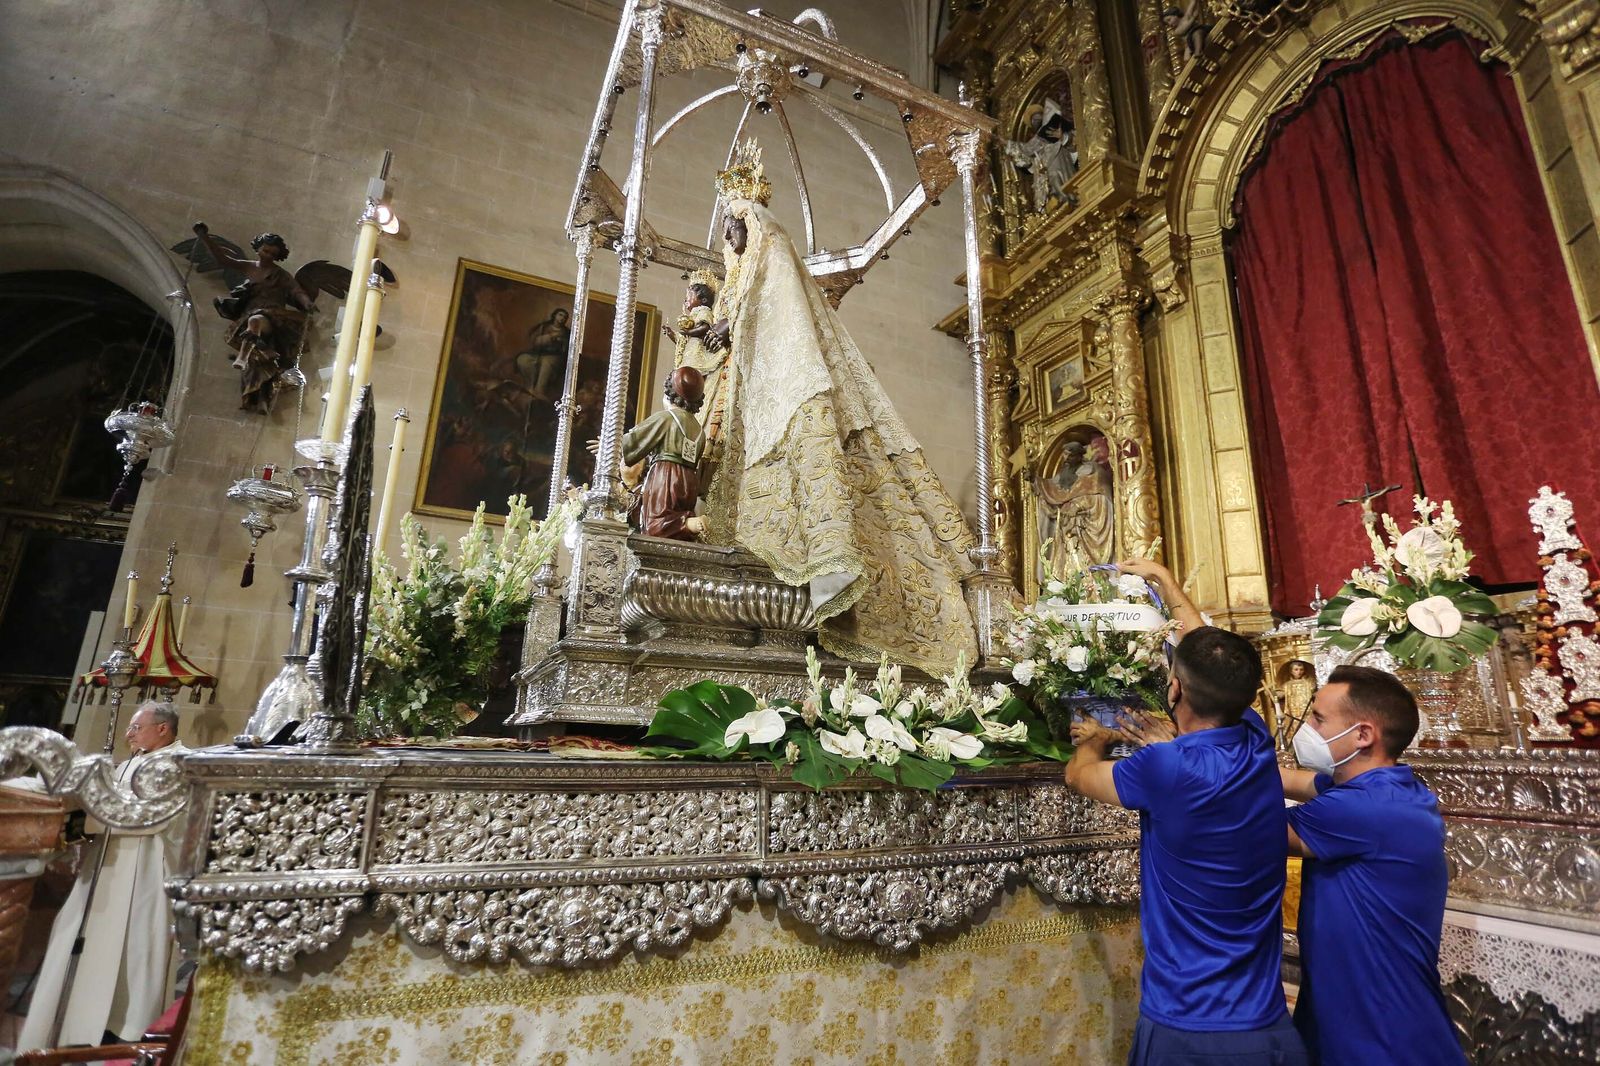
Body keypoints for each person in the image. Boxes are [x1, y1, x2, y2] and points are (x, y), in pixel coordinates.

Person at [696, 140, 978, 675]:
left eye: (736, 223)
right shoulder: (738, 276)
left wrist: (733, 323)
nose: (729, 235)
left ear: (756, 221)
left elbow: (773, 311)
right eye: (728, 226)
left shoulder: (772, 254)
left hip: (789, 387)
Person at [1066, 558, 1306, 1065]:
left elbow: (1078, 777)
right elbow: (1212, 659)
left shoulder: (1166, 767)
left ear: (1174, 688)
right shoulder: (1256, 740)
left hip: (1187, 1028)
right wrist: (1168, 585)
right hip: (1266, 1024)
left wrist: (1094, 738)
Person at [1282, 666, 1465, 1065]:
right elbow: (1288, 780)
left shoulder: (1366, 807)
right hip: (1351, 1005)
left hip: (1381, 1028)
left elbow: (1249, 830)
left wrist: (1186, 760)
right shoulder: (1385, 787)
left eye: (1318, 719)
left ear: (1363, 735)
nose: (1306, 728)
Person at [19, 703, 191, 1050]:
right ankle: (77, 1020)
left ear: (162, 729)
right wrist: (76, 823)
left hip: (145, 871)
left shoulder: (179, 763)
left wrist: (86, 820)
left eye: (135, 727)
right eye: (129, 727)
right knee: (82, 937)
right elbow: (102, 807)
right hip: (104, 868)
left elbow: (153, 819)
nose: (129, 734)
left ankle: (130, 1027)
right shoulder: (128, 763)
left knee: (136, 948)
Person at [619, 366, 707, 541]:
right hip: (689, 479)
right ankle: (687, 523)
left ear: (669, 394)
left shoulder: (667, 418)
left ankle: (688, 523)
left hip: (665, 475)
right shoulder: (699, 431)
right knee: (673, 535)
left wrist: (612, 444)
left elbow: (631, 443)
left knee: (655, 525)